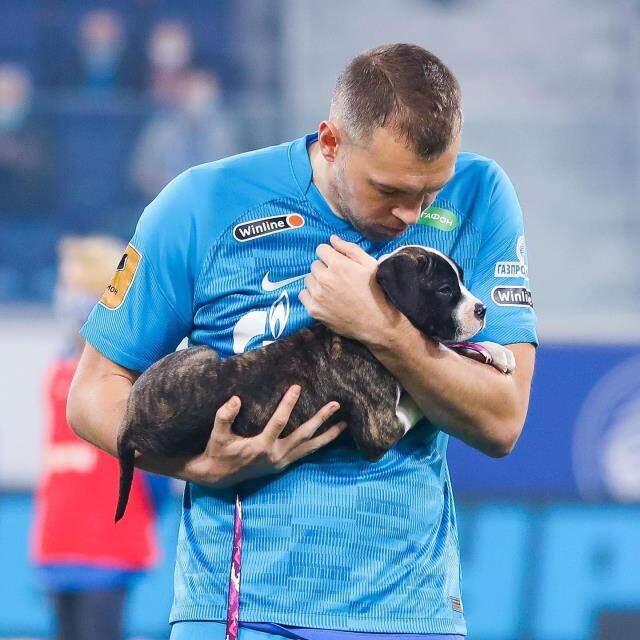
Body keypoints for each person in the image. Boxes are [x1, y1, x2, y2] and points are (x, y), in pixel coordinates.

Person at [67, 43, 537, 639]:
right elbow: (92, 394)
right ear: (332, 141)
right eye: (389, 190)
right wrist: (200, 464)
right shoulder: (202, 202)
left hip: (410, 613)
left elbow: (501, 420)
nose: (411, 215)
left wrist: (378, 326)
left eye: (429, 193)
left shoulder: (481, 194)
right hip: (239, 611)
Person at [31, 236, 167, 640]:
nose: (66, 296)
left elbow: (153, 463)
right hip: (58, 539)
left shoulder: (129, 371)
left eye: (74, 285)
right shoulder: (58, 365)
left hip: (107, 544)